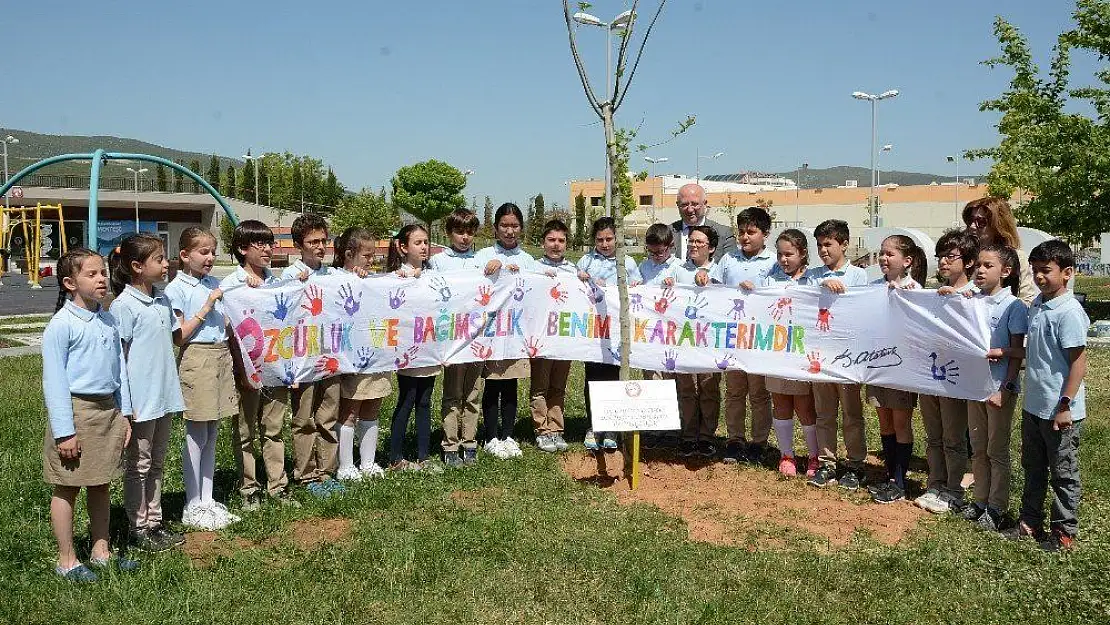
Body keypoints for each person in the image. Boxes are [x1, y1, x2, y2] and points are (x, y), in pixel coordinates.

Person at [42, 248, 136, 582]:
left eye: (103, 273)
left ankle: (101, 551)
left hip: (107, 411)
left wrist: (123, 412)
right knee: (67, 486)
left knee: (100, 484)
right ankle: (66, 559)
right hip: (76, 412)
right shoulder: (61, 325)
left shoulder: (107, 318)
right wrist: (64, 431)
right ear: (70, 283)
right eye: (92, 274)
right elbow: (54, 382)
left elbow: (120, 369)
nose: (102, 279)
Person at [1007, 240, 1088, 551]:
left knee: (1063, 473)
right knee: (1034, 467)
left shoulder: (1068, 312)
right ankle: (1029, 522)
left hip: (1059, 411)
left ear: (1067, 273)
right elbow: (1035, 351)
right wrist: (1005, 352)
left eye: (1046, 271)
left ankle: (1064, 533)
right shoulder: (1039, 304)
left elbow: (1077, 365)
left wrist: (1064, 405)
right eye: (1035, 271)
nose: (1040, 277)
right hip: (1034, 407)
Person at [108, 234, 187, 552]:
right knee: (138, 466)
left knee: (156, 464)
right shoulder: (124, 306)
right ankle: (138, 527)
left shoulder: (162, 299)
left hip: (164, 397)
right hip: (141, 403)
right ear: (137, 266)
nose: (167, 264)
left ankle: (155, 523)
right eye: (159, 259)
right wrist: (126, 406)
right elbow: (120, 360)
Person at [165, 227, 241, 531]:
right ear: (185, 255)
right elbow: (179, 336)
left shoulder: (214, 283)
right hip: (197, 357)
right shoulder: (177, 289)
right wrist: (206, 307)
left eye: (213, 251)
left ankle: (207, 499)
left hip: (220, 354)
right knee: (196, 433)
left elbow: (225, 320)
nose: (210, 257)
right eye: (203, 252)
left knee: (212, 431)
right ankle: (192, 502)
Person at [220, 219, 298, 510]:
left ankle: (278, 484)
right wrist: (241, 370)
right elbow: (229, 331)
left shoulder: (277, 284)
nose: (267, 249)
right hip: (246, 371)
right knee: (245, 431)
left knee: (274, 428)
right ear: (243, 249)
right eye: (260, 244)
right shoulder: (231, 286)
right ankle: (248, 486)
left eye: (269, 243)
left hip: (275, 369)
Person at [915, 229, 979, 514]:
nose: (943, 262)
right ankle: (935, 482)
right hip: (927, 375)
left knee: (954, 436)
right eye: (940, 256)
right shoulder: (932, 294)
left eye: (950, 256)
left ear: (967, 262)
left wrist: (959, 300)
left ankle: (954, 489)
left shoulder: (976, 297)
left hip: (955, 378)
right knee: (933, 435)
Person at [963, 244, 1026, 530]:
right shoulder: (971, 300)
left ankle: (997, 506)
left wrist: (1006, 387)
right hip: (973, 386)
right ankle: (979, 500)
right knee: (977, 447)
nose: (980, 269)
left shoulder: (1013, 307)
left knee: (996, 449)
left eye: (988, 265)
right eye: (978, 264)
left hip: (998, 386)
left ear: (1006, 272)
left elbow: (1018, 352)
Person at [280, 214, 343, 496]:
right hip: (303, 358)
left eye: (323, 241)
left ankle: (327, 470)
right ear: (298, 245)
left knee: (328, 414)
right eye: (312, 242)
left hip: (330, 355)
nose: (320, 246)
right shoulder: (289, 276)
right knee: (304, 417)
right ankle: (305, 473)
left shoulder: (333, 275)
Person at [805, 219, 869, 490]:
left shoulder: (858, 276)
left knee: (851, 412)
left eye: (828, 244)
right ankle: (827, 461)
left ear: (844, 245)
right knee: (824, 412)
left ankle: (855, 464)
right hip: (819, 354)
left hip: (847, 355)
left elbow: (861, 308)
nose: (823, 250)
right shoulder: (812, 275)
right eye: (819, 245)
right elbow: (804, 301)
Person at [864, 235, 927, 504]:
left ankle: (900, 481)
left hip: (902, 369)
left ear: (907, 261)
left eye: (890, 254)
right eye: (881, 253)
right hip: (878, 366)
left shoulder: (915, 291)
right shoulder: (874, 287)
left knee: (901, 423)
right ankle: (889, 474)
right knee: (885, 421)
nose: (883, 259)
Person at [713, 207, 776, 464]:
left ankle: (759, 442)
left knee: (760, 393)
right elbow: (714, 290)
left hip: (760, 337)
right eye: (741, 232)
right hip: (732, 337)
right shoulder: (728, 260)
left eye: (751, 232)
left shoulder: (774, 262)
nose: (745, 237)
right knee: (735, 391)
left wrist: (758, 290)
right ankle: (734, 439)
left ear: (765, 234)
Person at [577, 216, 642, 452]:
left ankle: (612, 426)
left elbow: (640, 289)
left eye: (609, 239)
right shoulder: (586, 261)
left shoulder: (628, 263)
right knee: (592, 378)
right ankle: (594, 426)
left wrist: (636, 287)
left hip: (617, 333)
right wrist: (580, 277)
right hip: (593, 332)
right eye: (599, 239)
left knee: (614, 378)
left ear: (617, 238)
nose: (605, 244)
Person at [475, 203, 535, 459]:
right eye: (504, 226)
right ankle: (490, 436)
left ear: (521, 228)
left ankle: (508, 435)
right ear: (496, 228)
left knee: (511, 384)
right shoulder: (483, 256)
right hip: (490, 332)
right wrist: (489, 270)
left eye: (514, 226)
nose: (510, 231)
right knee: (491, 384)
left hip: (516, 333)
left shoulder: (528, 260)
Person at [332, 227, 391, 480]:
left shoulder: (373, 281)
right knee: (351, 409)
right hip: (352, 358)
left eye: (373, 255)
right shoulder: (335, 278)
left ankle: (367, 462)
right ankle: (345, 465)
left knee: (373, 406)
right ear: (348, 254)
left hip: (376, 354)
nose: (371, 261)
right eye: (366, 256)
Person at [761, 229, 819, 477]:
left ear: (803, 254)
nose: (783, 259)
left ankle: (815, 456)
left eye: (789, 254)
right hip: (776, 352)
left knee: (805, 407)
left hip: (803, 354)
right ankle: (787, 455)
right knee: (780, 403)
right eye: (780, 254)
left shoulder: (814, 281)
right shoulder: (770, 281)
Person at [431, 208, 485, 466]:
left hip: (476, 338)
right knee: (452, 393)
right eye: (459, 232)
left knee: (473, 393)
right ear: (449, 232)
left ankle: (470, 442)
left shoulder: (481, 261)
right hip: (452, 338)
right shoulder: (440, 261)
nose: (464, 237)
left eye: (469, 232)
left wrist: (501, 267)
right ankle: (450, 444)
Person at [388, 224, 443, 471]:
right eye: (418, 243)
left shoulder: (433, 274)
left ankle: (424, 456)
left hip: (429, 348)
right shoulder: (398, 276)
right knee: (407, 399)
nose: (424, 247)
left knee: (425, 401)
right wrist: (404, 282)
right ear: (403, 247)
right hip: (408, 352)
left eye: (426, 242)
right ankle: (396, 457)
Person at [673, 225, 721, 458]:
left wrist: (711, 280)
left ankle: (707, 436)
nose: (693, 245)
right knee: (686, 388)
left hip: (710, 340)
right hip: (683, 338)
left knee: (708, 387)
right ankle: (688, 435)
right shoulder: (678, 270)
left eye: (699, 242)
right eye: (691, 241)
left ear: (711, 248)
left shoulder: (720, 270)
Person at [530, 219, 575, 453]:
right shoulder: (533, 268)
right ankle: (541, 429)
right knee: (540, 385)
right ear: (543, 242)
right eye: (551, 240)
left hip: (564, 338)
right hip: (541, 337)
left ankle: (557, 428)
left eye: (561, 240)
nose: (556, 245)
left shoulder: (574, 271)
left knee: (559, 385)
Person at [636, 223, 681, 450]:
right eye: (651, 251)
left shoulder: (678, 267)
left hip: (672, 335)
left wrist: (676, 286)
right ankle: (655, 425)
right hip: (648, 334)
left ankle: (672, 426)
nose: (655, 256)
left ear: (670, 247)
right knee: (652, 378)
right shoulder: (643, 267)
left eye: (660, 252)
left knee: (671, 380)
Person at [963, 196, 1037, 303]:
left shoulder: (1016, 257)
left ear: (997, 225)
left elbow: (1026, 299)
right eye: (970, 220)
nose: (972, 226)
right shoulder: (963, 254)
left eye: (980, 221)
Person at [669, 183, 736, 262]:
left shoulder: (724, 234)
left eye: (695, 204)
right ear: (677, 205)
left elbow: (731, 268)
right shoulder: (666, 233)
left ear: (705, 204)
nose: (690, 209)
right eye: (684, 205)